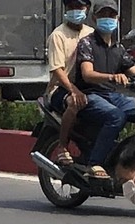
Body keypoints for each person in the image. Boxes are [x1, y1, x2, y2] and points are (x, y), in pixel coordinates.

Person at [74, 0, 135, 179]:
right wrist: (112, 77)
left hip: (112, 95)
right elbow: (87, 74)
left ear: (117, 19)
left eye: (111, 15)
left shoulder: (118, 48)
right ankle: (94, 163)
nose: (108, 19)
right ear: (95, 18)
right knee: (115, 116)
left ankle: (130, 155)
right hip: (91, 94)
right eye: (104, 15)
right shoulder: (87, 43)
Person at [45, 0, 95, 166]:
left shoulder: (91, 33)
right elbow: (57, 71)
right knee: (74, 103)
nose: (75, 11)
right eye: (71, 7)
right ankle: (62, 146)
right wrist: (73, 90)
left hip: (87, 87)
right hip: (60, 89)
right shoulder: (58, 35)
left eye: (79, 7)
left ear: (86, 9)